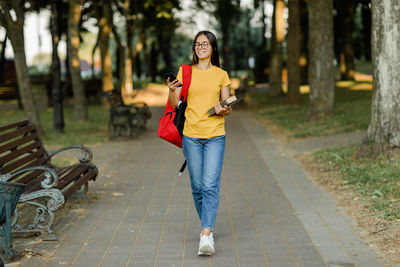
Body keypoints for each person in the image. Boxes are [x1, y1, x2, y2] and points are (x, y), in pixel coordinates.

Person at [166, 30, 232, 256]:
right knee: (197, 187)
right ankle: (207, 224)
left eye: (205, 44)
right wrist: (172, 90)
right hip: (191, 136)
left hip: (215, 135)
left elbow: (227, 105)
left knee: (210, 184)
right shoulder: (186, 72)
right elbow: (176, 105)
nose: (200, 47)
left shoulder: (221, 74)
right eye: (197, 44)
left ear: (213, 47)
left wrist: (225, 107)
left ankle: (206, 233)